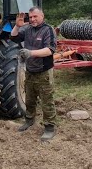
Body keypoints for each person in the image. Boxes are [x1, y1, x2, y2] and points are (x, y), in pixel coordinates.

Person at [10, 7, 58, 141]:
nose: (32, 19)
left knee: (46, 101)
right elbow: (13, 38)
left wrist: (31, 53)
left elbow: (50, 50)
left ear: (42, 16)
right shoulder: (27, 29)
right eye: (30, 17)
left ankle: (49, 127)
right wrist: (17, 26)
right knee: (29, 99)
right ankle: (29, 120)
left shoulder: (48, 30)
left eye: (35, 16)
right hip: (30, 71)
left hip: (44, 72)